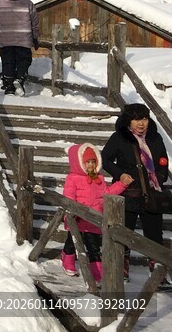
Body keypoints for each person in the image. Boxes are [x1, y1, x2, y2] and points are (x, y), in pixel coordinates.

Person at [102, 104, 172, 283]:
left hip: (152, 194)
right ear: (128, 120)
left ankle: (158, 274)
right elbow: (105, 159)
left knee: (155, 236)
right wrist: (120, 174)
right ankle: (121, 269)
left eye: (144, 119)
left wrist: (160, 176)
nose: (141, 123)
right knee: (125, 233)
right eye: (136, 119)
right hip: (128, 193)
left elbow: (163, 160)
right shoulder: (119, 137)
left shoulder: (155, 137)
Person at [60, 143, 127, 280]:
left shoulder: (99, 179)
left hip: (94, 219)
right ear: (79, 163)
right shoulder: (73, 178)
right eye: (87, 162)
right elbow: (69, 197)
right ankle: (67, 260)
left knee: (94, 246)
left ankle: (97, 270)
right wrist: (72, 212)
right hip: (77, 218)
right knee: (73, 242)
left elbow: (106, 193)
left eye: (93, 161)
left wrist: (121, 185)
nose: (91, 165)